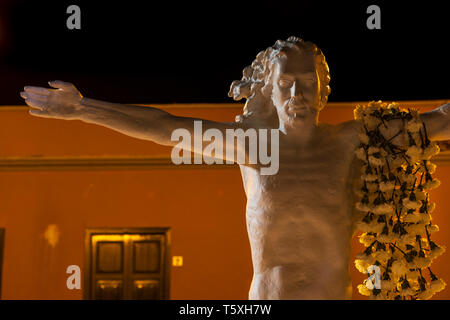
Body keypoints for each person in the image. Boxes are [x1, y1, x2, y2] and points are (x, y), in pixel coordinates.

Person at [20, 37, 449, 299]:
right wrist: (82, 108)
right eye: (285, 83)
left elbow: (440, 121)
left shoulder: (351, 142)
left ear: (322, 90)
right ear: (270, 90)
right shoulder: (252, 146)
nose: (296, 92)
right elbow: (165, 128)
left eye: (307, 82)